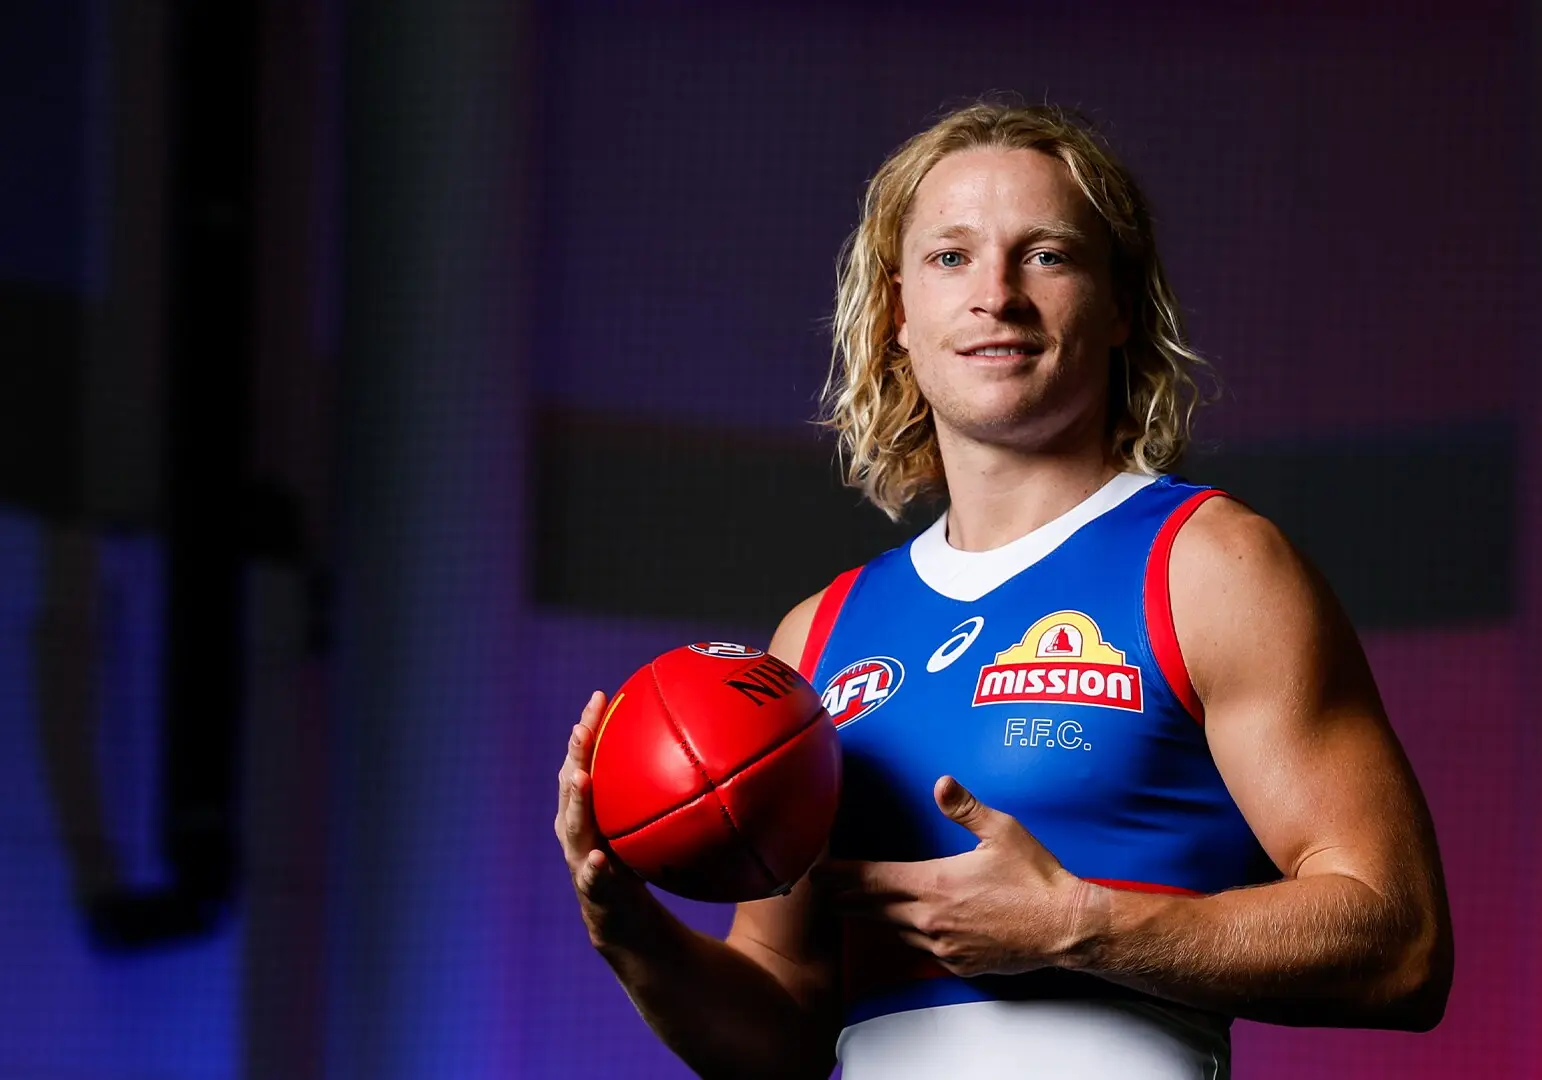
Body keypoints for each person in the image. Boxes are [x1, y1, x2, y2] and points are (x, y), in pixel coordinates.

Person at [555, 102, 1453, 1078]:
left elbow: (1401, 944)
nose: (996, 295)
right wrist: (625, 926)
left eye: (1046, 256)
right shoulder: (818, 633)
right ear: (899, 313)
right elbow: (783, 1030)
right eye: (951, 257)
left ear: (1119, 305)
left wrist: (1076, 926)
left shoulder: (1209, 564)